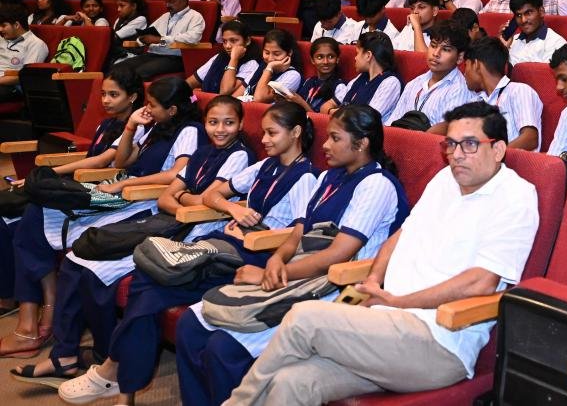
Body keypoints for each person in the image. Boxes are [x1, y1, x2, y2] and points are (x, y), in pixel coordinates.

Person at [221, 101, 536, 406]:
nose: (456, 155)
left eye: (469, 144)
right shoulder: (445, 180)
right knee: (291, 382)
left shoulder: (515, 196)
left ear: (498, 149)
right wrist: (372, 281)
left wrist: (398, 302)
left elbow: (480, 283)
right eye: (450, 145)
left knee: (303, 318)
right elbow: (400, 236)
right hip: (385, 326)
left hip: (437, 341)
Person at [176, 104, 410, 406]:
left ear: (361, 143)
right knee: (191, 325)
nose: (325, 145)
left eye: (335, 138)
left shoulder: (376, 185)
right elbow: (299, 231)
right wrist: (277, 258)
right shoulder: (330, 177)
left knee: (223, 348)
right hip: (302, 272)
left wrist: (268, 274)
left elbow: (338, 255)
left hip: (338, 287)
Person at [43, 96, 255, 398]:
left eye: (229, 123)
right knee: (84, 259)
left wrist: (183, 200)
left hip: (200, 232)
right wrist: (184, 201)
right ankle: (104, 363)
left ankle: (115, 373)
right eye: (213, 122)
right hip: (172, 224)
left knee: (139, 282)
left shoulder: (239, 156)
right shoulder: (203, 152)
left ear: (241, 124)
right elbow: (167, 198)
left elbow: (206, 200)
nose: (220, 129)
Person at [5, 77, 200, 357]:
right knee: (36, 212)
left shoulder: (189, 130)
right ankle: (38, 311)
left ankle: (40, 319)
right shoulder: (154, 125)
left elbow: (175, 175)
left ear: (172, 110)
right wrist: (132, 127)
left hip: (140, 199)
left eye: (153, 105)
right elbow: (121, 162)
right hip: (119, 189)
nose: (147, 109)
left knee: (42, 216)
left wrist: (126, 184)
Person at [389, 21, 473, 130]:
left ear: (460, 57)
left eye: (446, 49)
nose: (436, 53)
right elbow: (392, 123)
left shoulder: (459, 90)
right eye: (433, 46)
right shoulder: (414, 83)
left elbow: (446, 135)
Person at [463, 37, 543, 151]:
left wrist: (492, 155)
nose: (464, 73)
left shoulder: (518, 91)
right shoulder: (474, 101)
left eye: (466, 66)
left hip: (513, 161)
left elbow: (530, 139)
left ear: (476, 65)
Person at [111, 0, 206, 79]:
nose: (167, 5)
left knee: (139, 72)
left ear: (184, 0)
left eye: (171, 1)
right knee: (117, 68)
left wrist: (160, 40)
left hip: (175, 57)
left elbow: (193, 38)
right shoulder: (165, 16)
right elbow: (147, 33)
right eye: (166, 2)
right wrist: (142, 39)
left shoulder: (195, 17)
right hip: (153, 54)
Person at [325, 32, 404, 120]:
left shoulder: (390, 82)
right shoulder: (361, 77)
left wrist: (336, 113)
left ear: (368, 55)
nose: (355, 58)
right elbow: (325, 107)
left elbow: (367, 119)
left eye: (357, 53)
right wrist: (334, 112)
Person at [185, 20, 262, 97]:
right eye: (224, 41)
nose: (227, 46)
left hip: (224, 103)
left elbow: (225, 91)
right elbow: (191, 82)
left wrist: (234, 59)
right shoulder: (219, 57)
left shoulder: (252, 64)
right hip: (206, 100)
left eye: (233, 41)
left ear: (247, 41)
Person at [0, 5, 49, 104]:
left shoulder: (35, 44)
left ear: (16, 25)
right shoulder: (2, 39)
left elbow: (26, 76)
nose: (0, 29)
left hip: (12, 87)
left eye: (3, 26)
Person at [506, 0, 567, 65]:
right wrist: (503, 49)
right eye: (518, 15)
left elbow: (545, 72)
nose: (523, 20)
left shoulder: (556, 43)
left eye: (528, 13)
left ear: (541, 12)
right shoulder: (512, 41)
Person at [287, 38, 344, 112]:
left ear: (337, 59)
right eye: (320, 57)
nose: (325, 62)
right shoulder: (309, 81)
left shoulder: (340, 87)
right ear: (312, 60)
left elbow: (322, 117)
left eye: (331, 57)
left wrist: (301, 103)